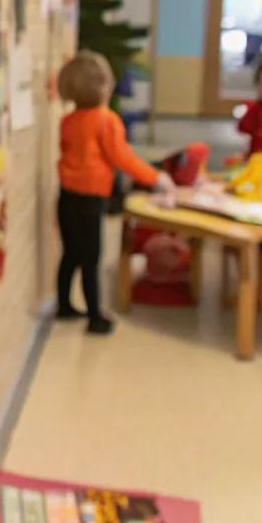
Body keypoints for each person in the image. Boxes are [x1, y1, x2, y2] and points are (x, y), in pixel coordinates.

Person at [56, 51, 173, 335]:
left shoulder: (69, 120)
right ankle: (96, 316)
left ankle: (64, 306)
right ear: (104, 87)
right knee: (91, 258)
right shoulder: (106, 121)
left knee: (71, 254)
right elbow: (123, 158)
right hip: (90, 199)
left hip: (67, 196)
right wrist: (157, 177)